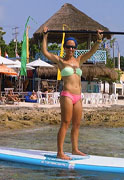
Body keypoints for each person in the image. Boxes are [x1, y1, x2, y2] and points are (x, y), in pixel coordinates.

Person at [42, 26, 103, 160]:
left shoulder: (79, 60)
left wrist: (98, 40)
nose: (71, 49)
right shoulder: (61, 61)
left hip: (78, 96)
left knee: (76, 124)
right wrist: (45, 36)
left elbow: (92, 52)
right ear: (64, 48)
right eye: (68, 47)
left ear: (75, 48)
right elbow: (45, 51)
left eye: (73, 47)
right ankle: (60, 152)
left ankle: (75, 149)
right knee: (65, 122)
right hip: (67, 95)